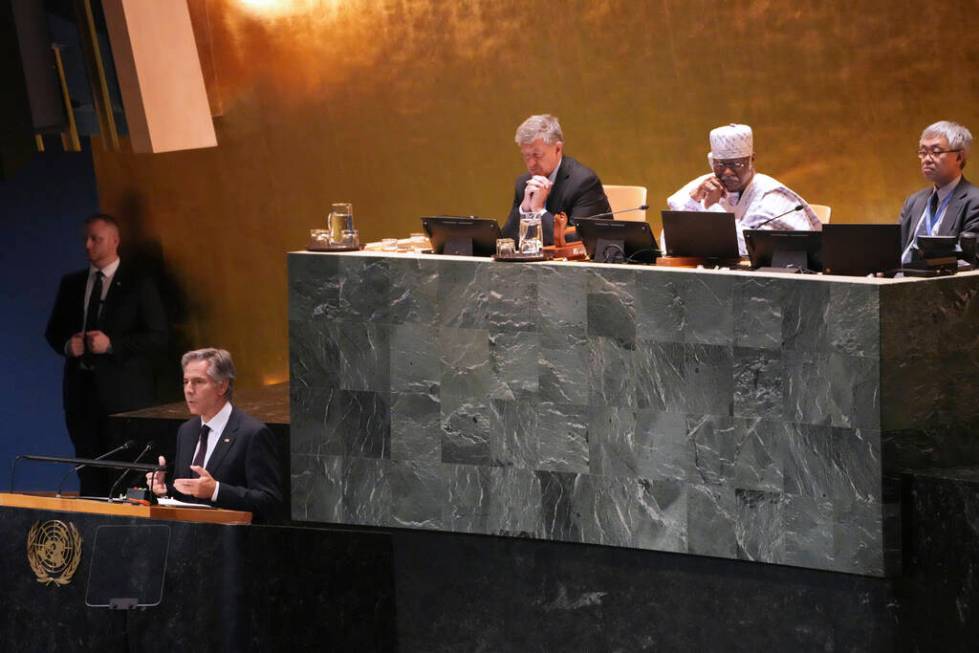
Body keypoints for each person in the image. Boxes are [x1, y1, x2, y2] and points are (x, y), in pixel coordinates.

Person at [45, 214, 167, 497]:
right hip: (81, 395)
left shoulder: (139, 283)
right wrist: (67, 346)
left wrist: (112, 344)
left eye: (95, 239)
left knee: (126, 471)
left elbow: (158, 337)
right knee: (89, 468)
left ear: (115, 241)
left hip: (125, 398)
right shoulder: (72, 283)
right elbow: (52, 331)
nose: (88, 245)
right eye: (85, 239)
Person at [146, 348, 283, 522]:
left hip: (230, 543)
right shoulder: (187, 431)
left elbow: (269, 502)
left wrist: (216, 491)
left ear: (222, 386)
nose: (188, 390)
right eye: (185, 381)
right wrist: (164, 490)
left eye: (198, 382)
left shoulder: (252, 433)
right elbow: (190, 498)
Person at [666, 123, 822, 255]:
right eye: (720, 164)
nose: (727, 172)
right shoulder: (707, 184)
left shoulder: (772, 195)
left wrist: (712, 207)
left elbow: (747, 250)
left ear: (751, 159)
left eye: (736, 164)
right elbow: (672, 237)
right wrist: (693, 201)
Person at [501, 114, 611, 246]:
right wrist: (524, 210)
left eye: (537, 155)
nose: (531, 164)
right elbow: (505, 241)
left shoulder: (584, 182)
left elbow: (579, 241)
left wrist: (538, 211)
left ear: (558, 149)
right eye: (526, 156)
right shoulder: (524, 183)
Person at [899, 121, 979, 263]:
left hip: (942, 281)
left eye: (935, 152)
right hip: (898, 278)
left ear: (959, 157)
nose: (926, 160)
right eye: (923, 152)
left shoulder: (974, 201)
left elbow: (971, 259)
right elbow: (896, 247)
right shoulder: (913, 201)